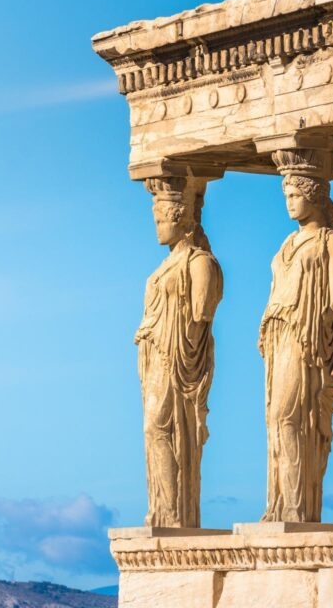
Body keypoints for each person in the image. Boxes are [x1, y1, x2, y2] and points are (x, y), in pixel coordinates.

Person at [259, 157, 333, 523]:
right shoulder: (287, 242)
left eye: (295, 195)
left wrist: (313, 320)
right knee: (275, 420)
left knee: (289, 416)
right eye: (286, 195)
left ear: (313, 196)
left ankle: (297, 507)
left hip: (306, 338)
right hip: (278, 336)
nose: (289, 202)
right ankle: (280, 504)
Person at [135, 178, 223, 527]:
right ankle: (164, 510)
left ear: (180, 218)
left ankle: (175, 513)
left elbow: (201, 314)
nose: (156, 227)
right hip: (155, 357)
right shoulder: (164, 267)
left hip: (177, 359)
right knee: (153, 430)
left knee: (161, 428)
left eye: (161, 219)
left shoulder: (200, 263)